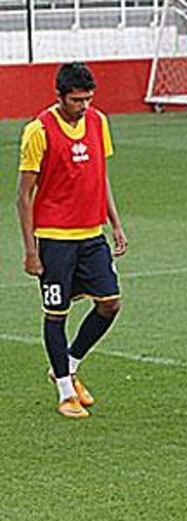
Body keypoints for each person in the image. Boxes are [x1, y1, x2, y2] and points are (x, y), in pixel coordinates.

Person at [16, 62, 128, 418]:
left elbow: (101, 175)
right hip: (54, 238)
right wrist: (31, 251)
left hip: (91, 235)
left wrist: (115, 223)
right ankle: (65, 392)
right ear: (59, 96)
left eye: (88, 99)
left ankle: (68, 364)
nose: (83, 106)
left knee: (110, 302)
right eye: (77, 100)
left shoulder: (98, 122)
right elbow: (23, 195)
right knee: (56, 314)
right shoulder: (39, 131)